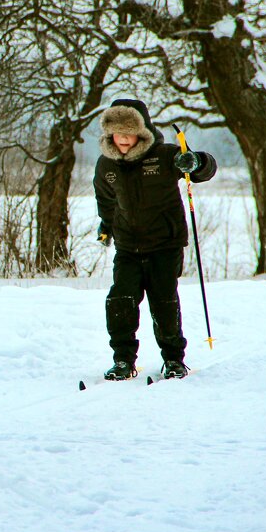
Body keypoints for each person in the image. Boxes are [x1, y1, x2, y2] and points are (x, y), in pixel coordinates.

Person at [93, 98, 217, 380]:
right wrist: (105, 226)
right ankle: (123, 361)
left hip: (165, 244)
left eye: (129, 131)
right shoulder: (106, 164)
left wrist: (197, 162)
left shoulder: (163, 155)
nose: (123, 138)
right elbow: (106, 199)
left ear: (142, 131)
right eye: (117, 132)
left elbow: (203, 170)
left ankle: (174, 360)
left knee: (163, 301)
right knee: (120, 300)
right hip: (127, 246)